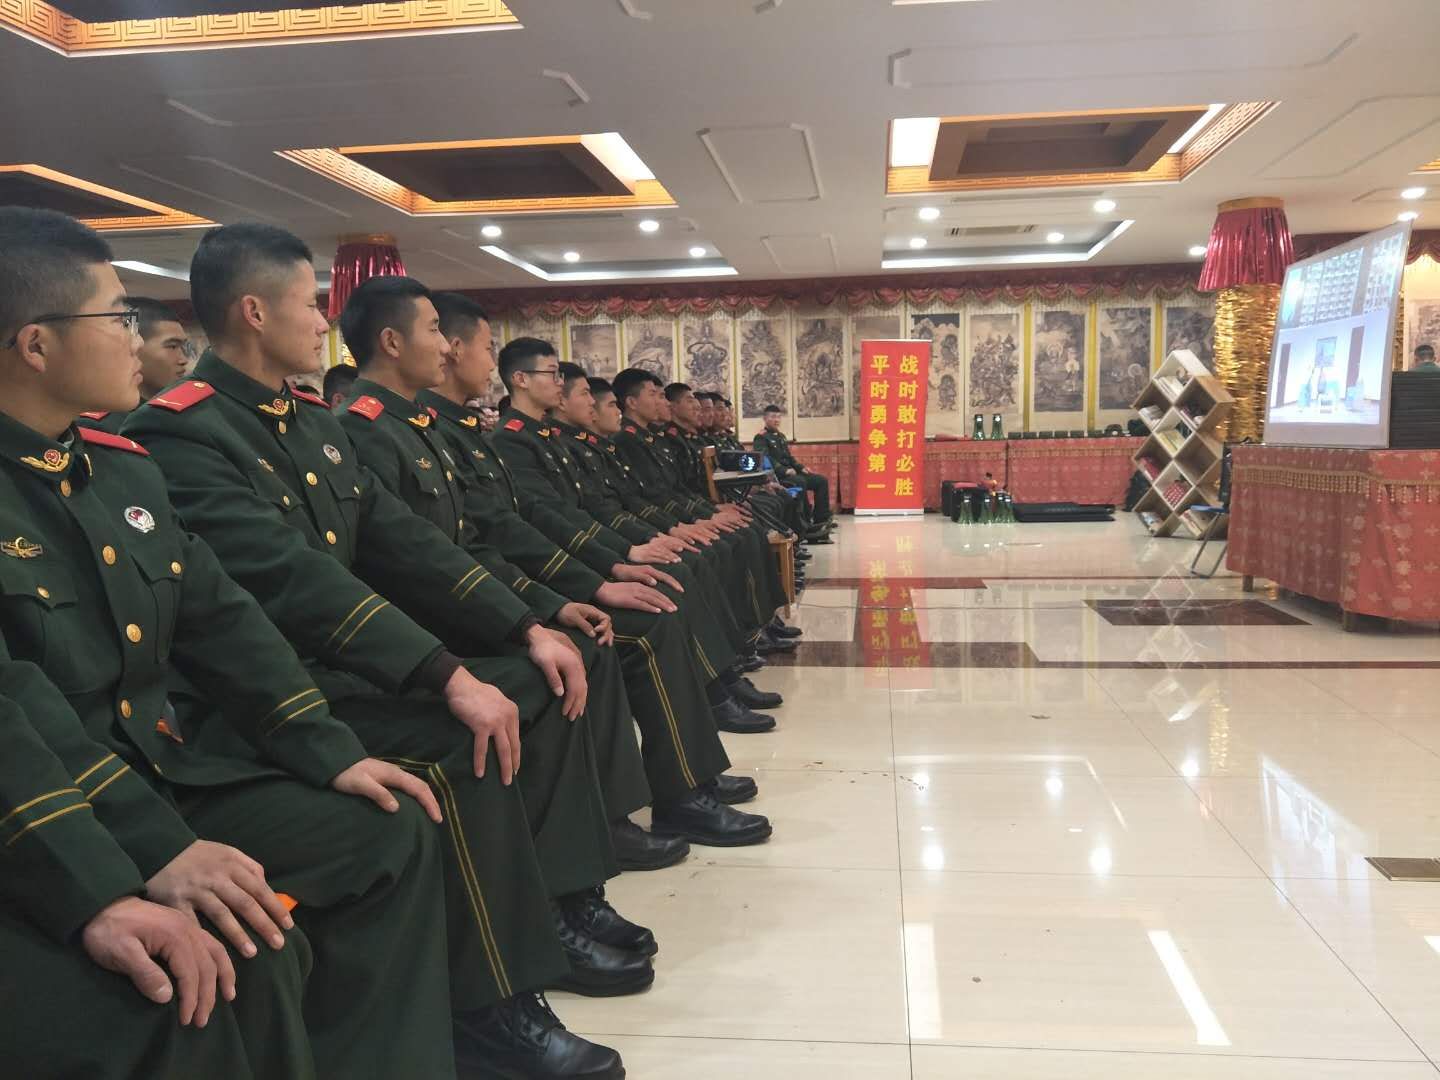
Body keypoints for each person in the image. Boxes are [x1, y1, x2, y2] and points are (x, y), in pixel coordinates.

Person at [121, 222, 635, 1077]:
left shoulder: (308, 422)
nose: (323, 321)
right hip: (262, 703)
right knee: (464, 752)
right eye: (308, 304)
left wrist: (524, 625)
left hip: (345, 673)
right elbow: (288, 579)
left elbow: (403, 542)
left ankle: (554, 908)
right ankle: (490, 1006)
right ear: (254, 312)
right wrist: (442, 672)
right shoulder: (182, 434)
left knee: (530, 685)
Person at [0, 206, 491, 1079]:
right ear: (36, 345)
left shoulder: (116, 468)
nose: (141, 338)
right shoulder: (158, 440)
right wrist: (134, 865)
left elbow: (220, 620)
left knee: (383, 827)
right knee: (220, 964)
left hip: (159, 775)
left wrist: (329, 751)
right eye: (117, 316)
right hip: (54, 814)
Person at [336, 279, 771, 850]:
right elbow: (438, 550)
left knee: (632, 615)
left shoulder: (434, 429)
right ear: (394, 342)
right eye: (439, 332)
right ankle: (625, 815)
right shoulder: (371, 429)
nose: (445, 347)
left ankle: (674, 787)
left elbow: (492, 532)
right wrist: (553, 605)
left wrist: (565, 596)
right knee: (614, 637)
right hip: (440, 616)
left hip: (494, 588)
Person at [77, 296, 189, 434]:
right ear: (133, 346)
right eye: (172, 346)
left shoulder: (183, 413)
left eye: (182, 347)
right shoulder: (103, 427)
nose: (183, 360)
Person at [754, 403, 833, 536]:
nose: (776, 420)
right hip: (779, 476)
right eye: (772, 417)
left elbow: (789, 458)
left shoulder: (781, 436)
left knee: (821, 481)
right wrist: (783, 470)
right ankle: (805, 524)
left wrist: (801, 467)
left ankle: (821, 519)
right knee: (800, 482)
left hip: (792, 473)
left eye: (778, 417)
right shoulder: (761, 437)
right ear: (765, 419)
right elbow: (765, 458)